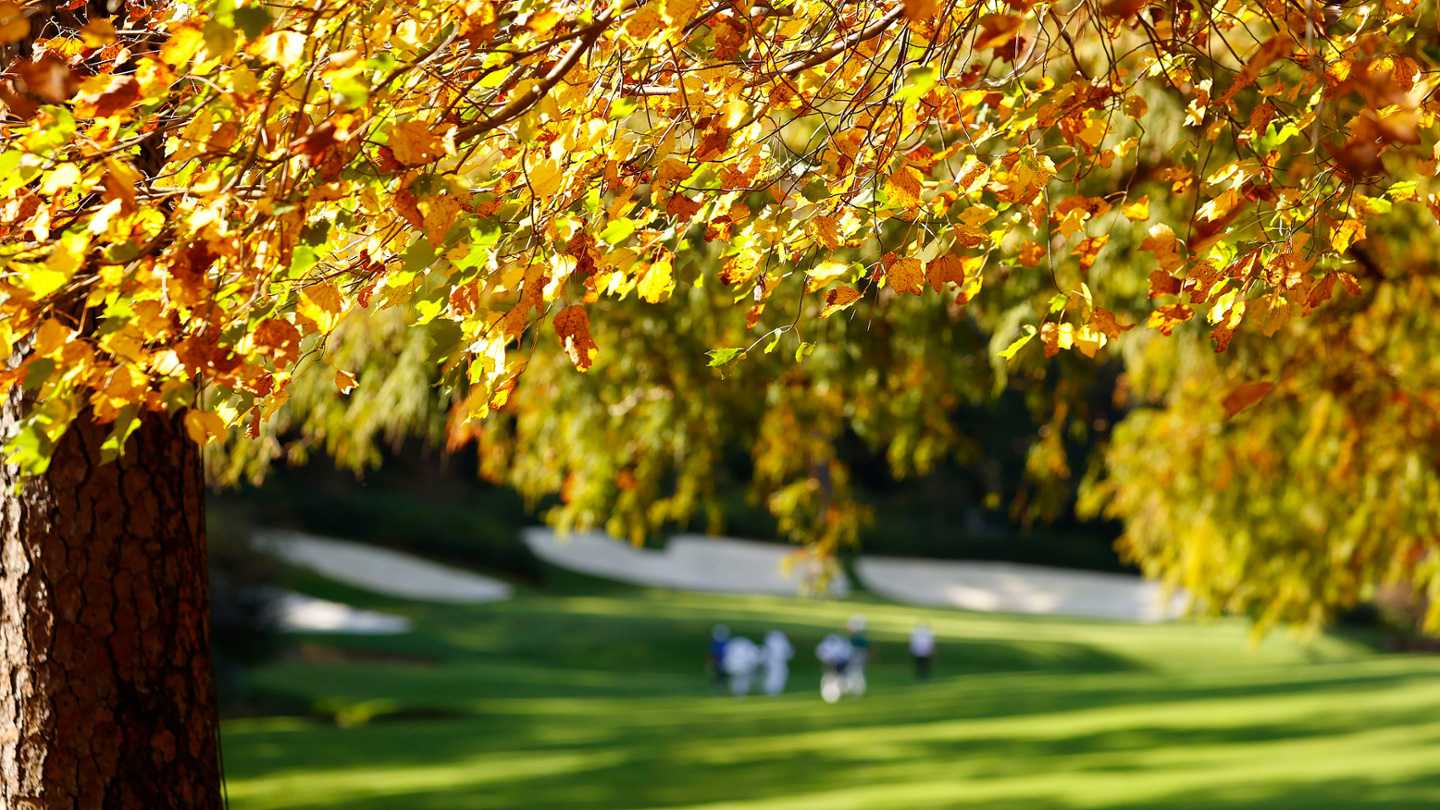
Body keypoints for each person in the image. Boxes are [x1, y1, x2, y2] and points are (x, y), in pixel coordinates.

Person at [815, 633, 852, 704]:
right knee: (829, 678)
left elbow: (846, 655)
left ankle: (838, 693)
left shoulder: (841, 644)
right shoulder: (826, 645)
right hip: (830, 664)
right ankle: (830, 694)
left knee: (839, 679)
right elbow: (820, 653)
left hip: (840, 664)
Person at [761, 630, 793, 696]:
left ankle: (774, 690)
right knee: (772, 676)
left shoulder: (781, 642)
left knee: (778, 676)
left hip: (778, 664)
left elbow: (788, 653)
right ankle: (772, 690)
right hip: (773, 664)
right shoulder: (773, 641)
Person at [844, 615, 869, 697]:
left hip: (857, 656)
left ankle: (857, 690)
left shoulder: (857, 638)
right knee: (855, 672)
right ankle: (855, 690)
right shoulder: (858, 637)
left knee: (855, 672)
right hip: (858, 656)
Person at [708, 625, 730, 689]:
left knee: (720, 673)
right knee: (719, 673)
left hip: (722, 662)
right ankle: (719, 684)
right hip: (720, 663)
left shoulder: (718, 644)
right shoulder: (717, 644)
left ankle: (720, 684)